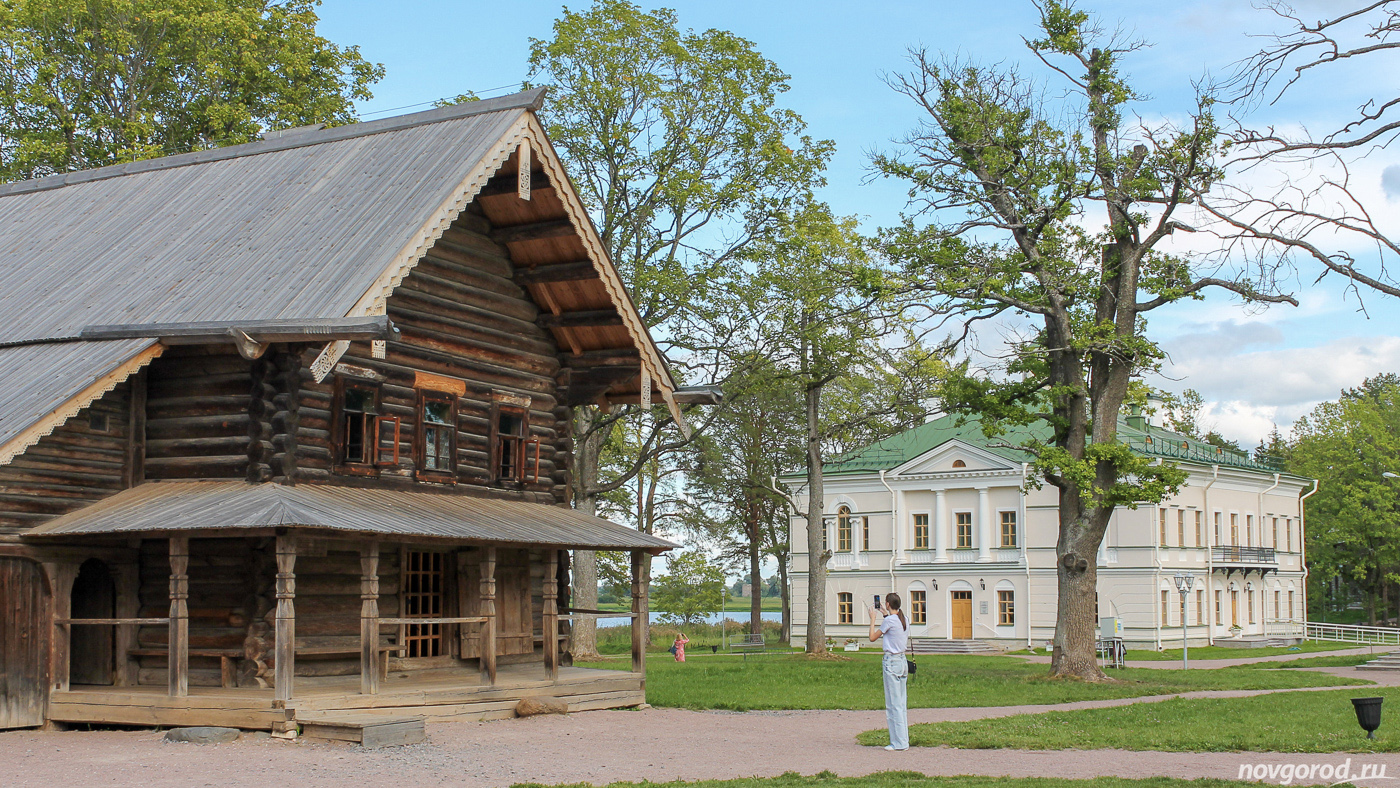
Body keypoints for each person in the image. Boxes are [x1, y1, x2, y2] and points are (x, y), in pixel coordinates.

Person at [868, 593, 909, 751]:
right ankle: (903, 740)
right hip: (902, 662)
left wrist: (873, 619)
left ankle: (898, 743)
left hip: (891, 662)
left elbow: (872, 637)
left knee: (893, 704)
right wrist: (885, 613)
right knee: (901, 703)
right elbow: (892, 623)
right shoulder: (903, 619)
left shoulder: (890, 621)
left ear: (887, 603)